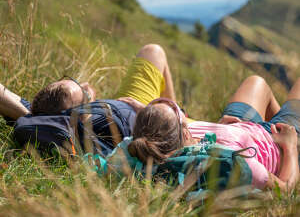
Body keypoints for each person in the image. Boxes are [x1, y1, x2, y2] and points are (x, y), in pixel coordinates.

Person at [128, 75, 300, 192]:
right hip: (277, 145)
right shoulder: (234, 163)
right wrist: (290, 146)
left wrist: (219, 129)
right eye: (178, 113)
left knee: (256, 82)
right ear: (185, 133)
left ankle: (284, 117)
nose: (182, 113)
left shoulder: (165, 143)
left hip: (237, 126)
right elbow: (284, 190)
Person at [0, 43, 183, 134]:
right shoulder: (85, 131)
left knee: (153, 51)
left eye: (74, 82)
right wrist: (149, 111)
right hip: (153, 120)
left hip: (127, 101)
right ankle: (180, 111)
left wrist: (27, 115)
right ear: (79, 115)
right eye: (85, 94)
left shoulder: (38, 115)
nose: (87, 85)